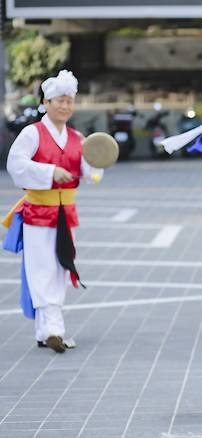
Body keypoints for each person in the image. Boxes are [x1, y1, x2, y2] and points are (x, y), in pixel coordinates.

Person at [3, 70, 103, 353]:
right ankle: (54, 328)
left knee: (60, 265)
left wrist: (97, 163)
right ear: (45, 102)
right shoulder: (32, 133)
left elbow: (89, 170)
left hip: (65, 212)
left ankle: (45, 330)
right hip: (37, 211)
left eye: (69, 101)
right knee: (42, 267)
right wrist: (49, 172)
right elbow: (16, 164)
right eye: (59, 100)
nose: (64, 106)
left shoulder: (76, 137)